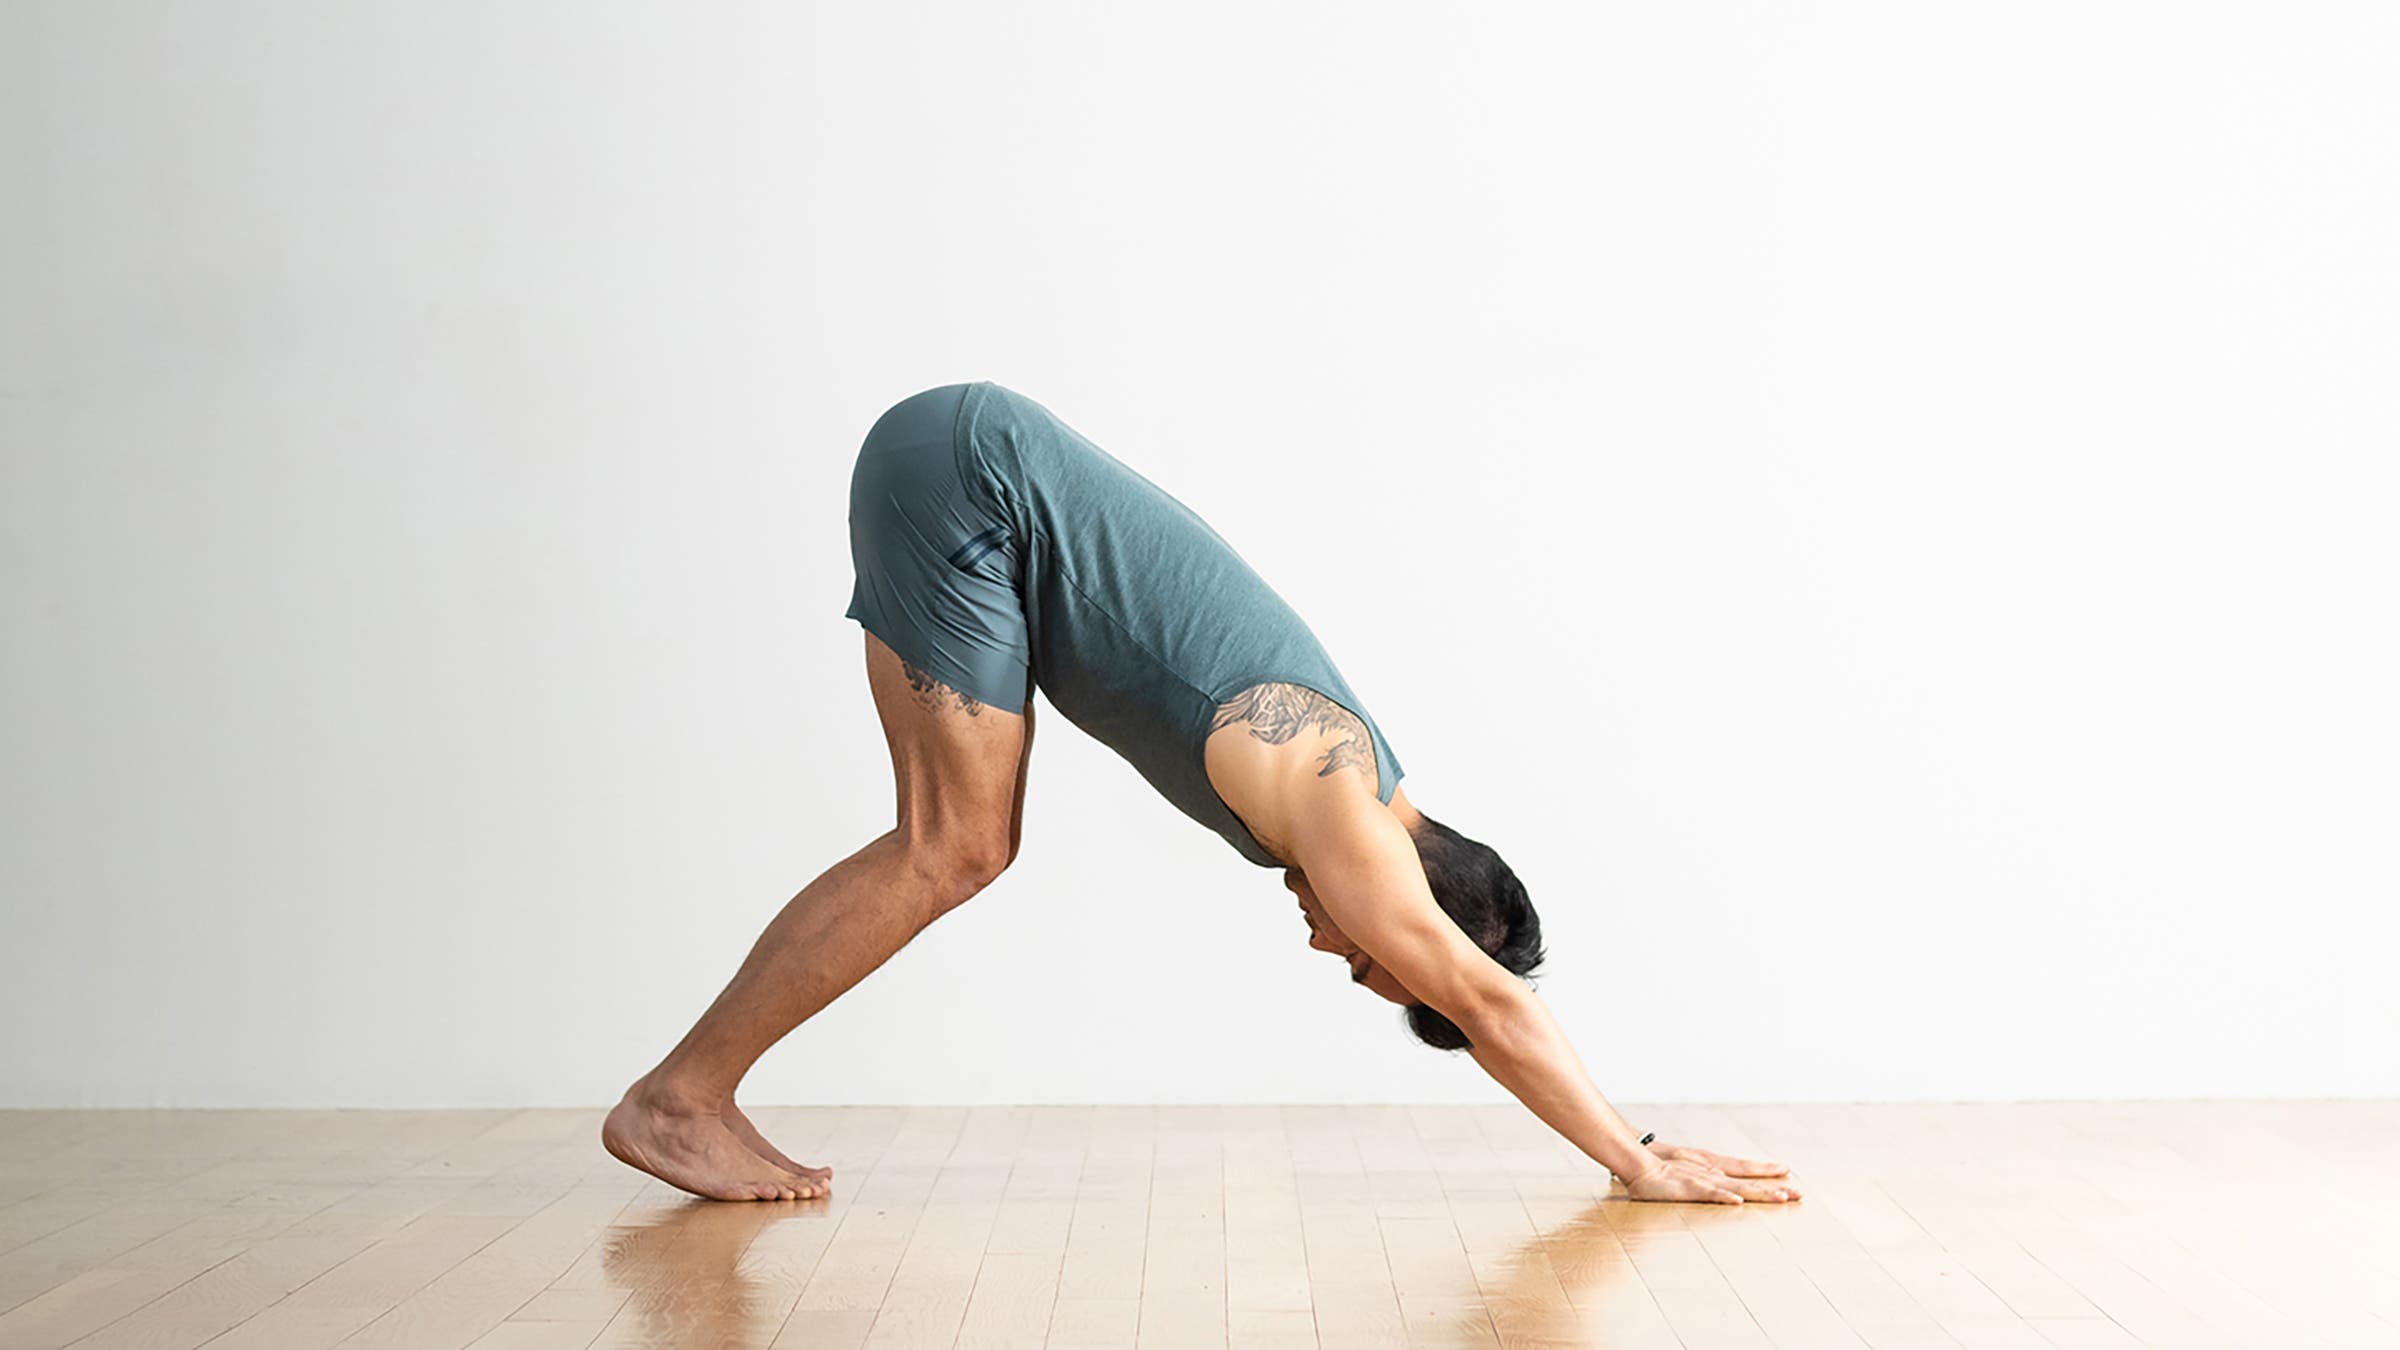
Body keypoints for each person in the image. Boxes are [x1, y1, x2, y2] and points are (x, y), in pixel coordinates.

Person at [602, 381, 1799, 1206]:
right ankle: (680, 1099)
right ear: (1421, 896)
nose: (1329, 945)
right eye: (1366, 955)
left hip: (969, 468)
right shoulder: (1342, 800)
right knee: (954, 846)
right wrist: (1637, 1159)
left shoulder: (1343, 781)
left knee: (965, 843)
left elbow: (1474, 996)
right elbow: (1489, 1002)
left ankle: (693, 1093)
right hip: (973, 480)